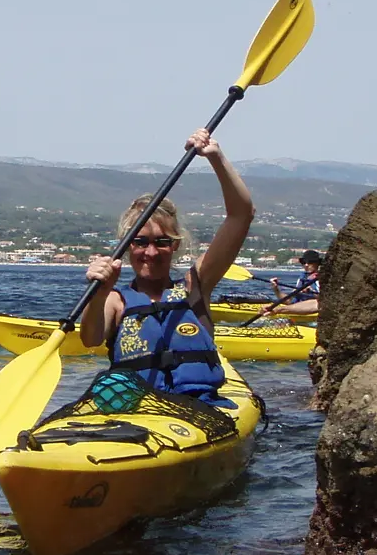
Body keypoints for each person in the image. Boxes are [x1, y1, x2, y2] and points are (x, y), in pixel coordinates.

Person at [81, 128, 254, 405]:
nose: (151, 252)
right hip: (140, 411)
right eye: (140, 242)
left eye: (162, 242)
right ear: (128, 248)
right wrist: (98, 292)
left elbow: (241, 215)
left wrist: (216, 158)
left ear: (175, 245)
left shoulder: (196, 286)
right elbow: (89, 339)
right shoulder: (115, 299)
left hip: (200, 409)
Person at [267, 249, 321, 317]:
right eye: (303, 262)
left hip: (313, 311)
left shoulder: (322, 279)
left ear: (317, 263)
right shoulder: (302, 279)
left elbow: (325, 301)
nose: (306, 265)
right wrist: (276, 289)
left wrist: (312, 292)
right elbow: (290, 302)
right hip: (300, 311)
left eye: (310, 262)